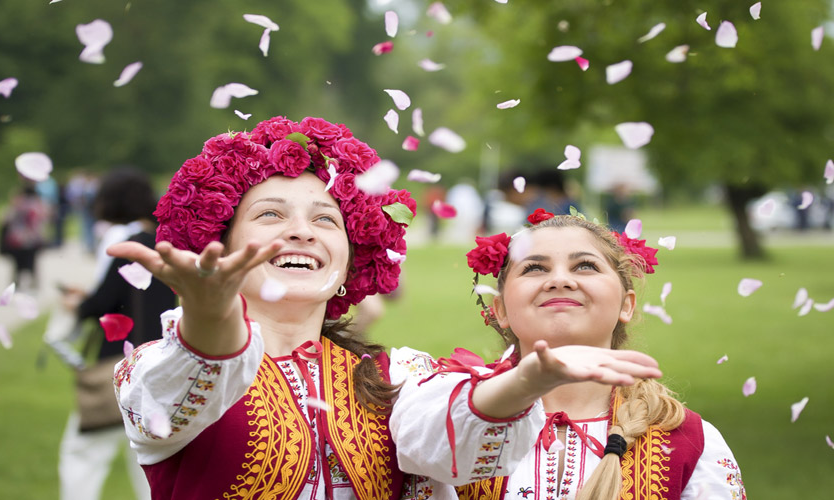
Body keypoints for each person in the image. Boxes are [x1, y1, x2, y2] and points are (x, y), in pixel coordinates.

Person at [107, 116, 661, 500]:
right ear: (220, 244)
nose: (301, 231)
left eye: (326, 220)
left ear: (352, 259)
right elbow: (179, 395)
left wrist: (523, 382)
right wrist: (209, 316)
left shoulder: (395, 378)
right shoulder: (154, 369)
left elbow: (457, 449)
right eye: (272, 215)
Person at [443, 208, 746, 499]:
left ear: (626, 305)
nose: (560, 280)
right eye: (534, 268)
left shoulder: (689, 441)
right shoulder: (448, 420)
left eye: (585, 266)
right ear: (501, 310)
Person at [58, 168, 177, 500]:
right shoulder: (163, 240)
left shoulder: (124, 239)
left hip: (122, 363)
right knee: (150, 461)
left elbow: (105, 300)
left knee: (84, 454)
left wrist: (78, 305)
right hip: (162, 359)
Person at [0, 182, 50, 292]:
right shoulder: (39, 205)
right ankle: (33, 283)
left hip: (18, 239)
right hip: (34, 239)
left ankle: (15, 283)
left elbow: (4, 219)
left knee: (17, 264)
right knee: (32, 262)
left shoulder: (18, 204)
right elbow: (45, 219)